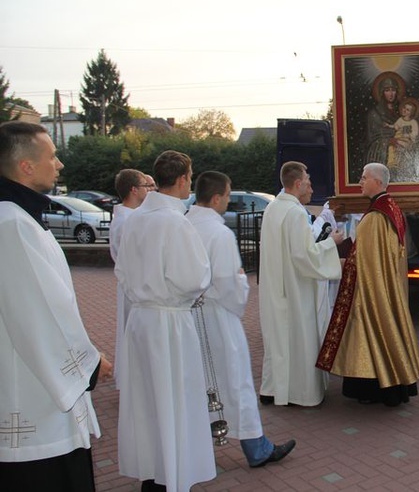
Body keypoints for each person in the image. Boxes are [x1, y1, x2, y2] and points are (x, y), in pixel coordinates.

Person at [0, 121, 113, 491]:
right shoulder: (13, 224)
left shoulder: (19, 217)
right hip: (31, 394)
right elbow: (42, 312)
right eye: (52, 156)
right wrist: (90, 364)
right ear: (26, 166)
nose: (60, 164)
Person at [115, 150, 215, 491]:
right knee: (173, 401)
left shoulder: (134, 219)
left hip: (141, 321)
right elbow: (193, 278)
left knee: (148, 405)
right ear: (184, 178)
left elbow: (122, 272)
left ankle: (154, 473)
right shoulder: (174, 222)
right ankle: (172, 476)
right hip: (170, 324)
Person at [186, 171, 296, 467]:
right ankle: (256, 448)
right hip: (218, 315)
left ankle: (197, 445)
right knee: (237, 380)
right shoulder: (219, 233)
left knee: (198, 382)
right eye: (229, 192)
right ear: (218, 197)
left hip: (188, 317)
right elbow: (228, 282)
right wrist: (241, 289)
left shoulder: (183, 225)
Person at [317, 163, 419, 406]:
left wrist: (343, 261)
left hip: (370, 287)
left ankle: (373, 389)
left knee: (369, 330)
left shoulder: (376, 216)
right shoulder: (390, 208)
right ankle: (392, 385)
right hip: (386, 285)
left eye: (364, 177)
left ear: (377, 181)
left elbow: (364, 259)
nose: (360, 182)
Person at [258, 161, 344, 407]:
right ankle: (300, 393)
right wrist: (332, 243)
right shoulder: (294, 213)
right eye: (307, 182)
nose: (310, 187)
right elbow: (304, 255)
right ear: (297, 184)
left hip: (276, 284)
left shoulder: (274, 208)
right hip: (294, 288)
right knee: (298, 337)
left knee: (278, 340)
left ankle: (273, 388)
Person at [109, 168, 151, 388]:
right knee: (133, 336)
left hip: (133, 284)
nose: (149, 190)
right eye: (145, 185)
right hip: (134, 286)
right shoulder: (128, 221)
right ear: (134, 190)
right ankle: (132, 380)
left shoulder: (130, 217)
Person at [366, 71, 404, 165]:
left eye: (393, 90)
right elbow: (372, 140)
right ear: (382, 93)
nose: (391, 94)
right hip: (381, 156)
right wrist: (388, 141)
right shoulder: (375, 114)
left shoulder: (403, 111)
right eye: (387, 90)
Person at [386, 96, 419, 171]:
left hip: (407, 140)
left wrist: (408, 135)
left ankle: (400, 164)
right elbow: (396, 126)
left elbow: (415, 133)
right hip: (398, 138)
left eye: (407, 110)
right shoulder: (400, 119)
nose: (404, 110)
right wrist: (389, 126)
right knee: (391, 146)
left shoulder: (413, 122)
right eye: (404, 108)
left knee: (399, 148)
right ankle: (391, 162)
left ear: (411, 113)